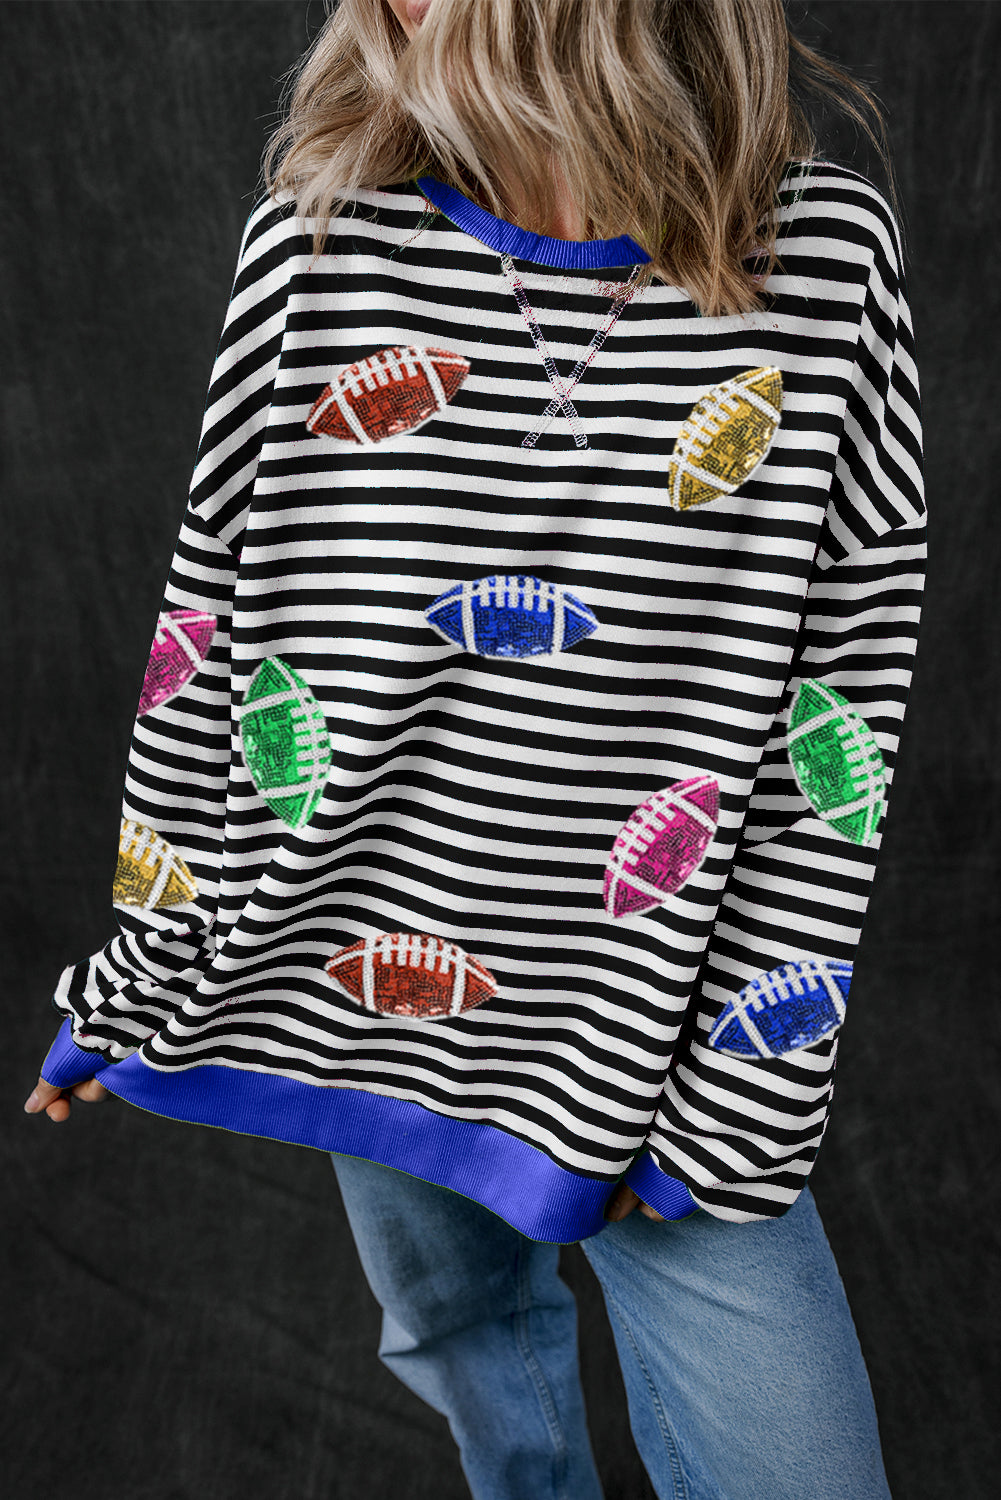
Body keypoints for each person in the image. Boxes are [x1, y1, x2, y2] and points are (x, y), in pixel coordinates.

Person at [24, 2, 925, 1496]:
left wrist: (746, 1094)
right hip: (352, 967)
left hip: (649, 1032)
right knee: (467, 1356)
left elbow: (843, 709)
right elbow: (205, 643)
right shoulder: (316, 243)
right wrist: (145, 970)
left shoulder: (822, 260)